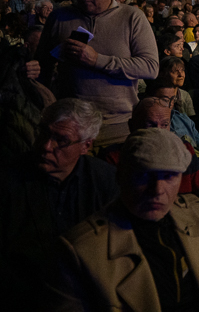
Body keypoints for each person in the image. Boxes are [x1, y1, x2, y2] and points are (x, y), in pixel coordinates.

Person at [47, 128, 199, 310]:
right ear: (120, 176)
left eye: (169, 176)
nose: (157, 190)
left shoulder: (194, 212)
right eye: (144, 176)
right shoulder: (81, 251)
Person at [0, 99, 119, 309]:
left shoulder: (106, 181)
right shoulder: (9, 179)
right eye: (44, 133)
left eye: (61, 140)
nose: (46, 146)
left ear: (86, 145)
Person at [36, 0, 159, 147]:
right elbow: (42, 67)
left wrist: (97, 60)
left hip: (118, 127)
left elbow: (150, 68)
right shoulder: (60, 17)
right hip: (69, 128)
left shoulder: (132, 17)